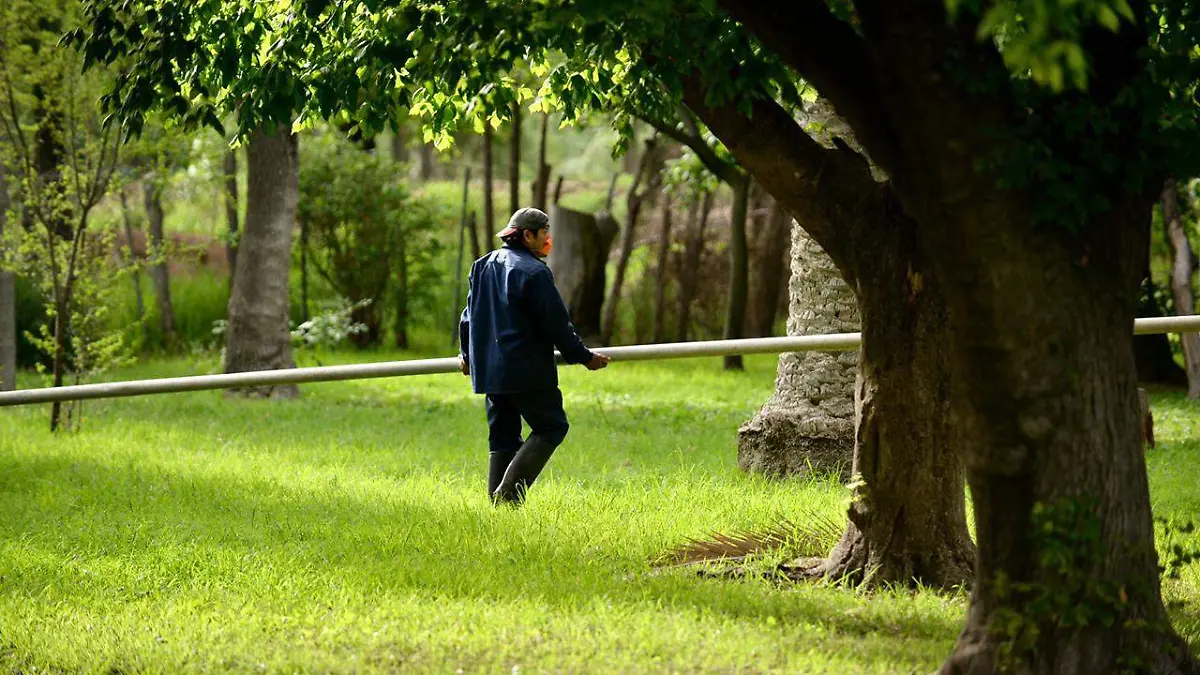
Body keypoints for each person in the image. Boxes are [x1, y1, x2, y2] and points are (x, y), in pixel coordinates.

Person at [458, 207, 611, 506]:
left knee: (503, 436)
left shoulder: (482, 265)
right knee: (552, 425)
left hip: (490, 372)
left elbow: (467, 317)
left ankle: (499, 506)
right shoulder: (534, 272)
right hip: (525, 370)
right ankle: (509, 493)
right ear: (527, 235)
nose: (547, 240)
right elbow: (556, 323)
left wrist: (467, 355)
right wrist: (584, 357)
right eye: (544, 233)